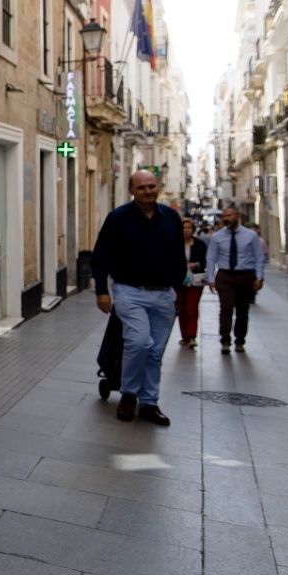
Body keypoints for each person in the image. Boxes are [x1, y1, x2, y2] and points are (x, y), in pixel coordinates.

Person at [90, 170, 186, 425]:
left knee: (155, 351)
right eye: (142, 187)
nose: (148, 191)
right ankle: (129, 394)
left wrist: (178, 290)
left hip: (164, 294)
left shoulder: (171, 218)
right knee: (140, 342)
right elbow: (100, 257)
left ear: (158, 188)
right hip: (129, 291)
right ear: (132, 190)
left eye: (152, 186)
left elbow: (179, 256)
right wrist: (101, 290)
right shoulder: (118, 218)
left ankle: (149, 402)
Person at [206, 207, 266, 353]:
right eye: (224, 216)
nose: (226, 218)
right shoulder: (217, 237)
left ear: (237, 216)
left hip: (245, 275)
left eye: (229, 215)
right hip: (225, 275)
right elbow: (211, 257)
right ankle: (225, 340)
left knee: (242, 309)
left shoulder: (251, 235)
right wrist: (210, 278)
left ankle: (240, 340)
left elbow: (259, 257)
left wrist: (259, 277)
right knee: (225, 308)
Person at [175, 218, 208, 348]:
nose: (186, 230)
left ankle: (192, 335)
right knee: (181, 308)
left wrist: (196, 264)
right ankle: (185, 336)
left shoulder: (200, 244)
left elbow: (205, 262)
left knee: (192, 307)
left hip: (195, 280)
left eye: (189, 228)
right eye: (184, 228)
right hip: (179, 280)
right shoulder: (175, 244)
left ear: (193, 230)